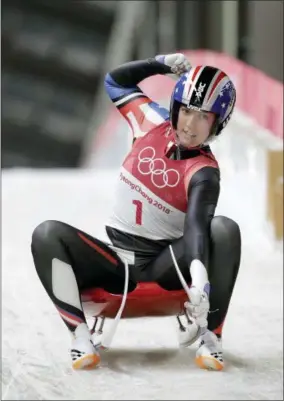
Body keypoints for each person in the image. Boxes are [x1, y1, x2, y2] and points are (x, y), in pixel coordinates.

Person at [31, 53, 241, 371]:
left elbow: (199, 226)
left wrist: (199, 281)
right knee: (46, 233)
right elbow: (115, 80)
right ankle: (80, 337)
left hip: (164, 264)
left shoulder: (204, 171)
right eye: (186, 110)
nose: (189, 124)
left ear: (218, 123)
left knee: (225, 228)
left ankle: (211, 337)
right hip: (115, 263)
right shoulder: (149, 120)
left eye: (203, 117)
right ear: (174, 107)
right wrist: (159, 64)